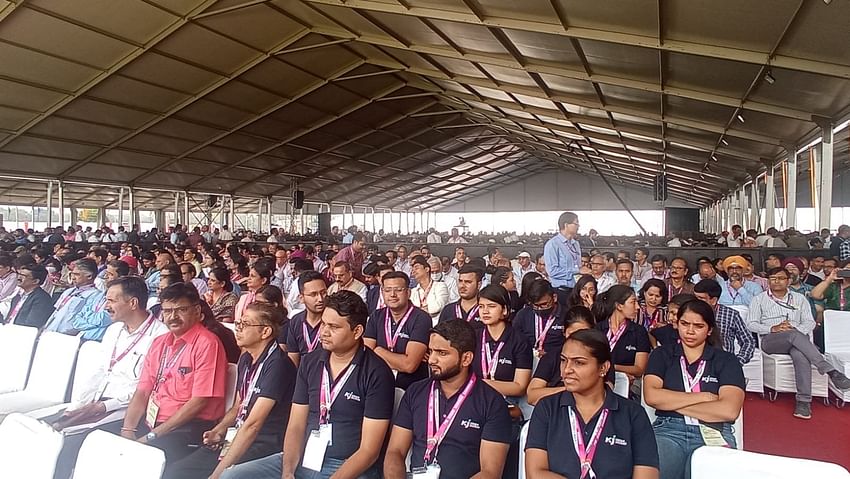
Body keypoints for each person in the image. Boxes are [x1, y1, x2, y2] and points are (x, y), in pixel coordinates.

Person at [222, 291, 394, 479]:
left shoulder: (377, 372)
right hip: (302, 458)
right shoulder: (310, 362)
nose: (324, 332)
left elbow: (369, 451)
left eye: (334, 327)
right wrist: (288, 472)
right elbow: (296, 425)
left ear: (357, 331)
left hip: (345, 466)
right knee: (232, 477)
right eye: (323, 324)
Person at [52, 277, 169, 477]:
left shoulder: (160, 336)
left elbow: (146, 387)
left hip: (125, 410)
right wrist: (77, 407)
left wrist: (103, 407)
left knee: (71, 445)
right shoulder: (114, 330)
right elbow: (97, 373)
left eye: (112, 301)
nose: (106, 306)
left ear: (133, 303)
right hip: (95, 402)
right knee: (50, 432)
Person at [164, 304, 297, 479]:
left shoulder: (278, 365)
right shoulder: (246, 359)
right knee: (177, 470)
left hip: (265, 441)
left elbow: (254, 424)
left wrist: (218, 474)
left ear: (265, 332)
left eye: (245, 324)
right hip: (239, 433)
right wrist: (219, 430)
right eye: (238, 323)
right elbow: (238, 406)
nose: (238, 329)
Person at [383, 320, 512, 479]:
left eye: (441, 353)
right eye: (431, 351)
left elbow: (490, 472)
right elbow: (395, 452)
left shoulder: (493, 403)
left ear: (466, 359)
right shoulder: (415, 392)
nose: (431, 360)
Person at [526, 328, 659, 479]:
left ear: (603, 368)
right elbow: (535, 473)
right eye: (563, 360)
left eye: (579, 362)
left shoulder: (633, 414)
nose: (567, 370)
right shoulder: (547, 408)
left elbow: (646, 474)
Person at [120, 283, 228, 462]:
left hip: (188, 428)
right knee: (105, 444)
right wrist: (128, 429)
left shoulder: (207, 343)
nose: (173, 317)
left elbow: (199, 402)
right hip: (152, 421)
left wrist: (152, 436)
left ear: (196, 310)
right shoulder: (160, 342)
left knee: (138, 461)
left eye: (181, 310)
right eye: (167, 311)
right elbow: (143, 391)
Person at [644, 299, 745, 479]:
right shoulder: (662, 354)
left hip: (714, 430)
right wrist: (705, 397)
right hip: (669, 429)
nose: (690, 331)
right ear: (677, 324)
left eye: (698, 326)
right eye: (684, 324)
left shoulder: (727, 360)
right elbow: (651, 396)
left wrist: (670, 402)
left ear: (710, 329)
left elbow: (729, 411)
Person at [748, 267, 850, 419]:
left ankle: (803, 402)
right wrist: (774, 328)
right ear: (768, 280)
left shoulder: (799, 298)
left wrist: (796, 331)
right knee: (794, 337)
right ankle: (830, 370)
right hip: (771, 340)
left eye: (781, 278)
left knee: (800, 354)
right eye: (773, 278)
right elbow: (751, 324)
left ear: (788, 281)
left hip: (796, 339)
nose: (776, 281)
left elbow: (810, 322)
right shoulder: (759, 299)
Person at [364, 271, 431, 390]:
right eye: (388, 290)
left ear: (408, 292)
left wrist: (378, 351)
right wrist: (398, 359)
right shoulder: (376, 316)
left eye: (398, 290)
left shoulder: (421, 318)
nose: (392, 295)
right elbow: (366, 355)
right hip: (378, 383)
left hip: (410, 387)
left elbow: (409, 365)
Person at [526, 306, 596, 405]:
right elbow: (532, 395)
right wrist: (569, 389)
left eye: (584, 334)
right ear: (564, 332)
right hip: (553, 412)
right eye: (572, 334)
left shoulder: (600, 357)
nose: (578, 339)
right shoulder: (552, 355)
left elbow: (602, 394)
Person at [474, 284, 532, 403]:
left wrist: (482, 384)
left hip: (507, 402)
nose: (485, 311)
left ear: (504, 310)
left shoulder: (520, 341)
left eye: (491, 306)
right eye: (481, 306)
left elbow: (520, 387)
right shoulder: (473, 336)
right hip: (474, 399)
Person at [594, 285, 651, 380]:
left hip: (628, 381)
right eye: (633, 302)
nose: (637, 307)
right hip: (598, 379)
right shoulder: (598, 329)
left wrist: (612, 368)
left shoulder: (639, 331)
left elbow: (640, 369)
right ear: (619, 306)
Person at [692, 280, 755, 365]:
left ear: (713, 300)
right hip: (694, 364)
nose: (696, 302)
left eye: (701, 298)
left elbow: (748, 341)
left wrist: (738, 362)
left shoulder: (731, 314)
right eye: (695, 297)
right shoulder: (689, 314)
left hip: (723, 364)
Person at [71, 259, 131, 342]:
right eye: (106, 273)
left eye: (110, 274)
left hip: (97, 342)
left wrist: (87, 316)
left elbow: (102, 319)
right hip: (79, 337)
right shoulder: (97, 295)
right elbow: (77, 320)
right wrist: (93, 320)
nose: (105, 277)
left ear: (121, 277)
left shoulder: (120, 300)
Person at [44, 258, 101, 334]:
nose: (73, 278)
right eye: (73, 274)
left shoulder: (96, 296)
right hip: (50, 332)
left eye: (77, 274)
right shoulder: (68, 291)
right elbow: (56, 313)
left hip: (69, 337)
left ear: (89, 276)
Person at [512, 278, 565, 358]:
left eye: (544, 304)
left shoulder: (566, 315)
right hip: (527, 359)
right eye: (536, 306)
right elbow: (515, 340)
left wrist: (552, 354)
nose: (540, 309)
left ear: (554, 298)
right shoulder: (523, 314)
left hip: (557, 360)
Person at [285, 270, 328, 367]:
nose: (320, 299)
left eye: (323, 293)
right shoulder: (296, 321)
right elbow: (293, 358)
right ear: (301, 298)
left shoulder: (333, 321)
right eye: (313, 294)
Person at [544, 211, 582, 307]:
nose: (578, 226)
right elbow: (552, 271)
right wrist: (577, 271)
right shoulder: (552, 244)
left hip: (576, 290)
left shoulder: (575, 244)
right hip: (561, 291)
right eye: (576, 223)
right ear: (566, 225)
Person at [1, 263, 54, 328]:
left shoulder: (42, 299)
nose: (18, 278)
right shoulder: (18, 296)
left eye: (23, 275)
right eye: (19, 274)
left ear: (35, 281)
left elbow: (31, 325)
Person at [410, 255, 449, 323]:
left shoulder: (440, 286)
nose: (413, 271)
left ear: (427, 269)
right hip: (418, 325)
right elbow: (411, 312)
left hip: (436, 325)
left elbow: (437, 307)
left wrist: (418, 311)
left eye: (416, 268)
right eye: (412, 269)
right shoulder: (413, 292)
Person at [639, 279, 668, 347]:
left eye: (657, 296)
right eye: (650, 295)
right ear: (644, 293)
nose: (653, 299)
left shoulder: (667, 311)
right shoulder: (636, 307)